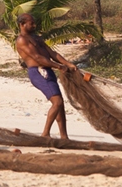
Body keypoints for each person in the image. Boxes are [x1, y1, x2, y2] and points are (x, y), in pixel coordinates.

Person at [15, 12, 78, 140]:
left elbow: (52, 53)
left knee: (60, 104)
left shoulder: (37, 38)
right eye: (31, 23)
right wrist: (59, 67)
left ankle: (64, 137)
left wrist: (68, 64)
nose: (34, 25)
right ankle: (45, 134)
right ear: (22, 24)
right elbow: (37, 58)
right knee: (57, 102)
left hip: (48, 72)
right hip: (38, 72)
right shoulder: (21, 40)